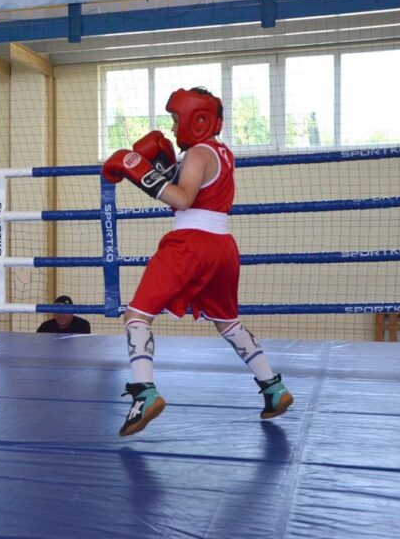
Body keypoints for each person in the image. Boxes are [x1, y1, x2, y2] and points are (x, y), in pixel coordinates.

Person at [101, 86, 293, 437]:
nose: (174, 129)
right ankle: (273, 388)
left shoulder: (198, 154)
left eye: (176, 119)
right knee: (228, 322)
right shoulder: (222, 153)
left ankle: (144, 394)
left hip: (190, 244)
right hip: (223, 247)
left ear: (197, 119)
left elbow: (183, 198)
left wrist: (136, 168)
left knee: (136, 316)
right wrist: (165, 167)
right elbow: (198, 188)